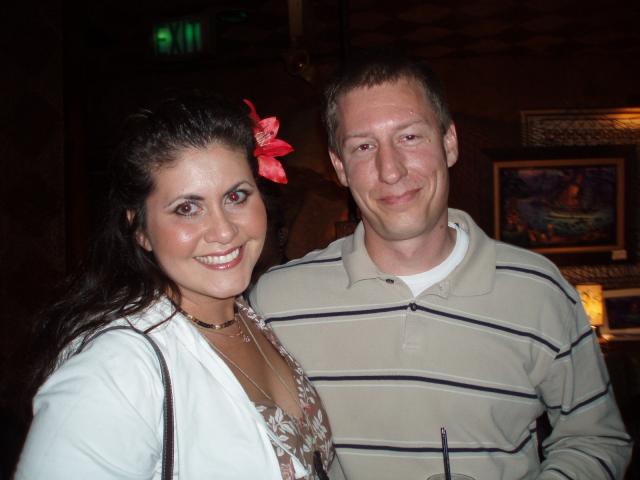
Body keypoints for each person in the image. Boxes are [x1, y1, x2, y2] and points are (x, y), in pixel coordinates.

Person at [249, 56, 632, 479]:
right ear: (340, 166)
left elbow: (595, 439)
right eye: (363, 146)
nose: (390, 170)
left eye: (410, 137)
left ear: (449, 143)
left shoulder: (540, 290)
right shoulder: (276, 303)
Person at [15, 93, 344, 479]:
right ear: (140, 230)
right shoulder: (116, 369)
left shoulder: (249, 316)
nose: (224, 231)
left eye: (236, 196)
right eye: (187, 208)